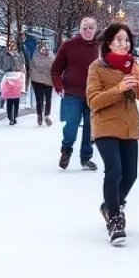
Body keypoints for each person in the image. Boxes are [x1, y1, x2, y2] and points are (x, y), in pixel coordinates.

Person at [87, 22, 139, 245]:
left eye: (127, 40)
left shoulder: (135, 66)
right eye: (119, 40)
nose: (124, 44)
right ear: (109, 43)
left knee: (131, 174)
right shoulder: (97, 67)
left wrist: (138, 82)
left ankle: (109, 205)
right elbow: (93, 100)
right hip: (105, 126)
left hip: (129, 127)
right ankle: (115, 218)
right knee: (114, 170)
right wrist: (119, 89)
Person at [51, 17, 100, 171]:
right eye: (85, 28)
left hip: (93, 94)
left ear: (95, 29)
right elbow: (56, 68)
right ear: (80, 29)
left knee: (90, 127)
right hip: (73, 92)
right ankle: (66, 150)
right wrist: (59, 84)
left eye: (91, 27)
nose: (88, 31)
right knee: (71, 124)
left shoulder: (100, 47)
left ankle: (86, 157)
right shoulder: (69, 45)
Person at [0, 38, 26, 125]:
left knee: (16, 99)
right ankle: (10, 117)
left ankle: (15, 116)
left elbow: (23, 64)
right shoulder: (4, 54)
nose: (12, 46)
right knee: (10, 99)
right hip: (8, 77)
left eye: (14, 45)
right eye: (10, 44)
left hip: (17, 77)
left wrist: (22, 75)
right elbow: (1, 65)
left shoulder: (19, 54)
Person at [30, 40, 55, 126]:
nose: (44, 51)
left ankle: (47, 115)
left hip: (48, 80)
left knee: (48, 99)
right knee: (39, 99)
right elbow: (32, 68)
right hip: (38, 81)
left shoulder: (51, 56)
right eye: (43, 49)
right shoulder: (35, 56)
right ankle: (39, 115)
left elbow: (54, 67)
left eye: (46, 49)